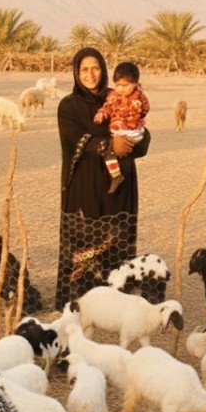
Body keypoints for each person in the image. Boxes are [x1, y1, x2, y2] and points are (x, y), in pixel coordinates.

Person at [55, 48, 151, 309]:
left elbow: (143, 132)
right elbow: (75, 139)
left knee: (117, 239)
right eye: (84, 69)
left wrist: (134, 140)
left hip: (120, 187)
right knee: (85, 242)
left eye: (95, 68)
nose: (91, 75)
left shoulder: (118, 95)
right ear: (76, 72)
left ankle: (114, 302)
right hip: (85, 186)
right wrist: (110, 145)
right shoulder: (69, 106)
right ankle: (78, 302)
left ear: (104, 70)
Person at [92, 61, 150, 194]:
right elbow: (107, 107)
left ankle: (116, 176)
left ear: (135, 84)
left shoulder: (139, 97)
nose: (121, 89)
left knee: (110, 151)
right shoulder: (113, 96)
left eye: (125, 85)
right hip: (119, 130)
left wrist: (137, 113)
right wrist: (101, 114)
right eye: (118, 85)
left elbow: (145, 109)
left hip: (132, 131)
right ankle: (116, 175)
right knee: (110, 153)